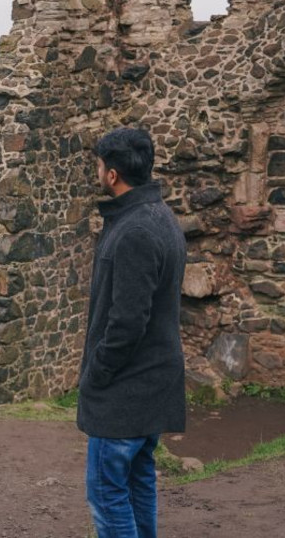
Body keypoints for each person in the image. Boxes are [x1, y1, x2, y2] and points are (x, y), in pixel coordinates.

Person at [78, 128, 187, 538]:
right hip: (149, 384)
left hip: (127, 390)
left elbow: (127, 323)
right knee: (138, 484)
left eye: (99, 164)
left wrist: (97, 374)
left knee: (107, 494)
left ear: (112, 175)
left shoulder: (137, 230)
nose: (97, 169)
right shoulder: (157, 215)